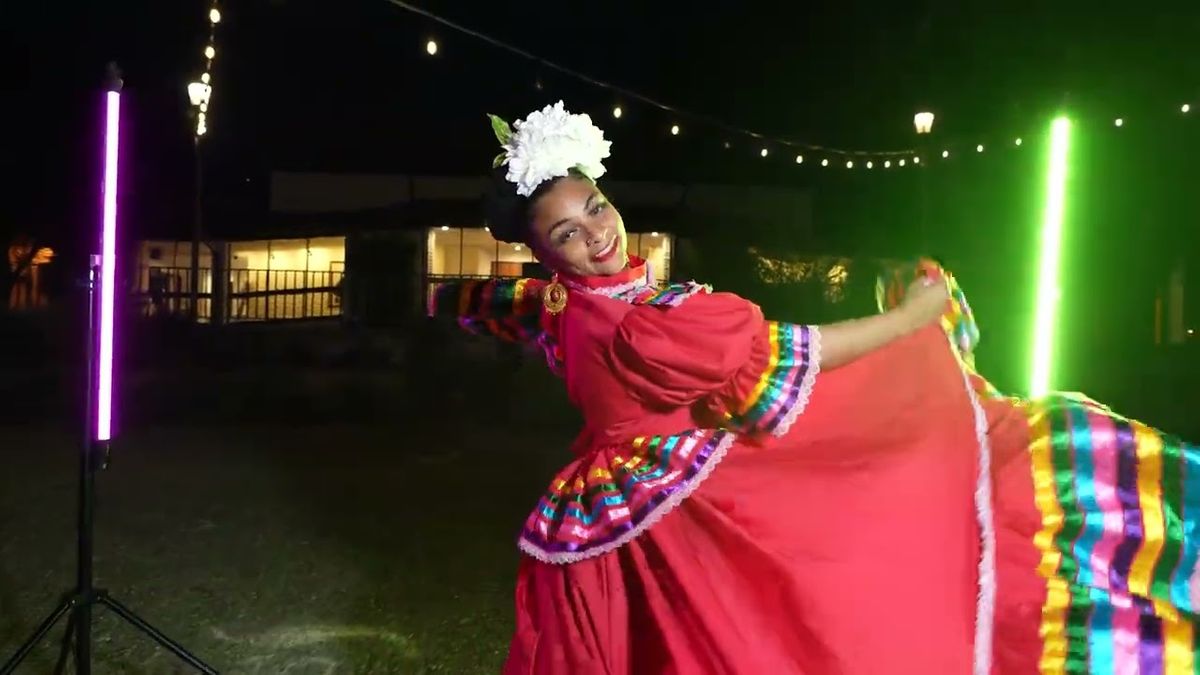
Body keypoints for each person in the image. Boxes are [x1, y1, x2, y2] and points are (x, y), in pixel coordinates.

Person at [432, 102, 1200, 674]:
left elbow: (520, 308)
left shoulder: (568, 300)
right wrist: (910, 317)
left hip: (621, 512)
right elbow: (798, 355)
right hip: (671, 508)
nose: (597, 232)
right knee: (794, 598)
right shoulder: (648, 328)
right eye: (568, 232)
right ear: (543, 249)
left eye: (594, 206)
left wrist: (453, 301)